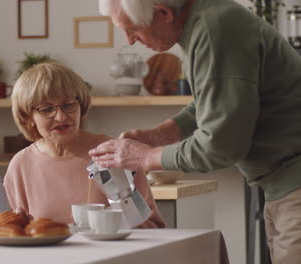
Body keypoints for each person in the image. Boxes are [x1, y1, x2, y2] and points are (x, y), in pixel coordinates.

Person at [90, 0, 301, 262]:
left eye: (132, 29)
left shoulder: (214, 30)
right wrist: (162, 134)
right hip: (282, 186)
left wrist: (146, 157)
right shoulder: (209, 19)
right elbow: (219, 99)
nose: (130, 40)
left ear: (163, 13)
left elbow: (220, 147)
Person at [4, 62, 165, 228]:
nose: (61, 117)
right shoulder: (21, 165)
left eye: (69, 105)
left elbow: (154, 228)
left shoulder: (114, 154)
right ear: (28, 117)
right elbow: (7, 232)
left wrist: (122, 204)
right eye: (46, 109)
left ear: (81, 105)